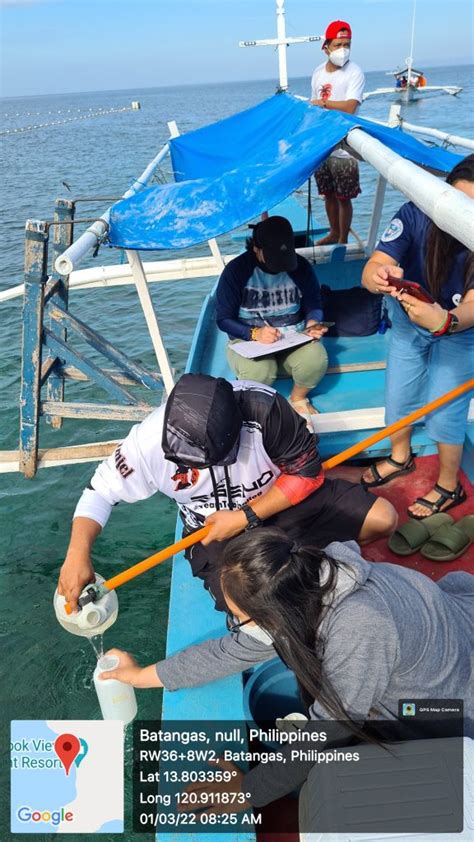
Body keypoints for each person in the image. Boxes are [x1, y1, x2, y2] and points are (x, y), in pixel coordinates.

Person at [99, 528, 473, 810]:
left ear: (275, 614)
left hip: (450, 705)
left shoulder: (360, 629)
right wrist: (140, 675)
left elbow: (328, 729)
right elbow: (230, 652)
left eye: (239, 617)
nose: (237, 626)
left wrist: (249, 791)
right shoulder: (306, 575)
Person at [57, 374, 397, 613]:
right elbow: (98, 493)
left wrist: (245, 516)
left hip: (283, 502)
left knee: (385, 520)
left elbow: (307, 473)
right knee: (245, 608)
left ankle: (305, 563)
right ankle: (303, 568)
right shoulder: (144, 444)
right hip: (212, 533)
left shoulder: (265, 408)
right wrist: (76, 554)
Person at [361, 154, 474, 519]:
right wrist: (379, 275)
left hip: (459, 331)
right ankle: (400, 457)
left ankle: (448, 485)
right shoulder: (415, 214)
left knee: (445, 409)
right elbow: (372, 267)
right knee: (399, 395)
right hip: (409, 323)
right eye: (459, 206)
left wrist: (446, 321)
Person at [216, 215, 329, 423]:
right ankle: (258, 409)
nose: (282, 267)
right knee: (260, 371)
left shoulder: (301, 267)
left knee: (316, 358)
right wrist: (254, 333)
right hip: (249, 341)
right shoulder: (236, 271)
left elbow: (314, 304)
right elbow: (223, 319)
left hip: (292, 337)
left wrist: (313, 322)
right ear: (257, 250)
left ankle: (298, 398)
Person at [310, 20, 365, 245]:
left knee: (344, 197)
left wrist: (322, 104)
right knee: (328, 193)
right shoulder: (317, 73)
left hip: (346, 142)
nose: (343, 49)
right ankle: (333, 232)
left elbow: (351, 106)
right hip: (323, 141)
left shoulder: (355, 72)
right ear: (326, 47)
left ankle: (342, 239)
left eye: (347, 44)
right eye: (339, 44)